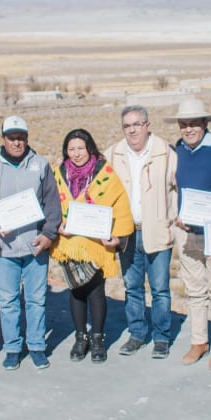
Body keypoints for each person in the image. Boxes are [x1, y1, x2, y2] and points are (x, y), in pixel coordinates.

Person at [0, 115, 62, 371]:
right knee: (8, 300)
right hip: (4, 248)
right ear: (3, 139)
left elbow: (52, 204)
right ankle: (13, 347)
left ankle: (36, 346)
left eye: (21, 138)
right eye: (12, 138)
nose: (17, 142)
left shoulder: (41, 165)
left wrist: (48, 235)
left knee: (36, 299)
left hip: (35, 245)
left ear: (26, 138)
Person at [51, 128, 134, 363]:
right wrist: (57, 226)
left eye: (81, 148)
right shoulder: (59, 173)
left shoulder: (105, 172)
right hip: (69, 243)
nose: (76, 154)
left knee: (96, 292)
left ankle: (98, 338)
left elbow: (119, 204)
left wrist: (117, 235)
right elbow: (50, 203)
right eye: (71, 149)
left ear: (90, 149)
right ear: (65, 151)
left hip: (96, 244)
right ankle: (81, 338)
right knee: (76, 291)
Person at [106, 105, 178, 358]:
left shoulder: (166, 152)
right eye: (127, 126)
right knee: (132, 286)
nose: (132, 129)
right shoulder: (113, 154)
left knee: (159, 288)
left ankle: (161, 337)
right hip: (126, 233)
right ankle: (137, 333)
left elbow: (178, 188)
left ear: (148, 125)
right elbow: (101, 191)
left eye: (137, 124)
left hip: (157, 231)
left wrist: (174, 219)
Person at [166, 97, 211, 369]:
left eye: (194, 123)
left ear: (205, 123)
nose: (189, 129)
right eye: (184, 124)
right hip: (186, 230)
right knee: (194, 289)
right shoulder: (177, 151)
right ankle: (198, 341)